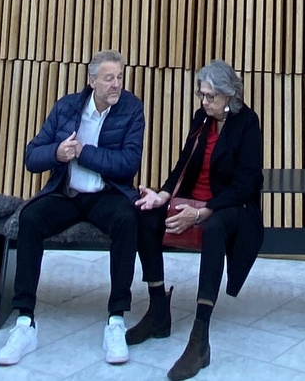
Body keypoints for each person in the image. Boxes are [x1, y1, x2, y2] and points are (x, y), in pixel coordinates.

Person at [0, 49, 147, 368]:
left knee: (127, 219)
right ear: (92, 81)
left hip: (108, 194)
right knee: (30, 218)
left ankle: (116, 319)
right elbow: (32, 156)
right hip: (66, 193)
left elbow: (128, 163)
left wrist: (83, 153)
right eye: (109, 78)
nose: (116, 84)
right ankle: (24, 322)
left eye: (120, 77)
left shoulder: (132, 109)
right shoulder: (66, 107)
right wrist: (58, 153)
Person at [113, 60, 262, 381]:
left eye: (210, 96)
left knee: (214, 229)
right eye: (201, 95)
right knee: (144, 215)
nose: (204, 102)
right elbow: (183, 163)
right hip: (192, 199)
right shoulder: (201, 119)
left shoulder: (247, 123)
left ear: (229, 95)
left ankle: (200, 336)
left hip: (231, 205)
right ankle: (158, 309)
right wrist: (163, 196)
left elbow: (246, 184)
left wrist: (203, 211)